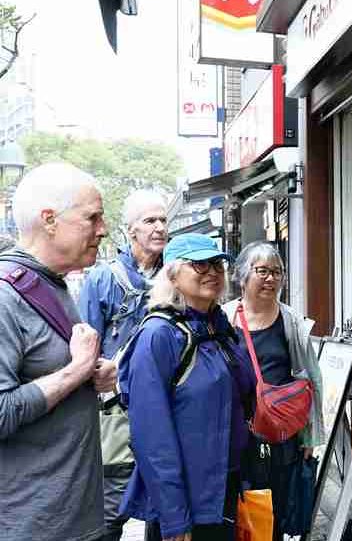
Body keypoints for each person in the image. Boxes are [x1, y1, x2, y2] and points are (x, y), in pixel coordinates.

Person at [0, 162, 116, 541]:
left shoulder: (55, 285)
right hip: (31, 527)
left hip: (75, 520)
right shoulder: (5, 297)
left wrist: (91, 376)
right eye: (92, 217)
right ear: (49, 220)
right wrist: (77, 370)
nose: (103, 229)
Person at [120, 233, 256, 541]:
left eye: (217, 265)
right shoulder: (158, 335)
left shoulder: (219, 326)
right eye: (199, 264)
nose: (212, 271)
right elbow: (152, 437)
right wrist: (174, 517)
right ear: (172, 275)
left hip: (227, 487)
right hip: (188, 503)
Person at [79, 189, 168, 541]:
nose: (159, 227)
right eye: (150, 221)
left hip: (167, 409)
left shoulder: (178, 275)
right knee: (111, 511)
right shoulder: (102, 279)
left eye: (163, 220)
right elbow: (86, 354)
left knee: (167, 510)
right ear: (130, 230)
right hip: (117, 414)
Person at [223, 241, 324, 541]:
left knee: (275, 515)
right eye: (262, 271)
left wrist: (311, 436)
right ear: (242, 276)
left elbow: (312, 380)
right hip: (237, 437)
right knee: (240, 514)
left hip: (282, 437)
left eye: (277, 272)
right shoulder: (224, 319)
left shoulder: (291, 321)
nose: (271, 279)